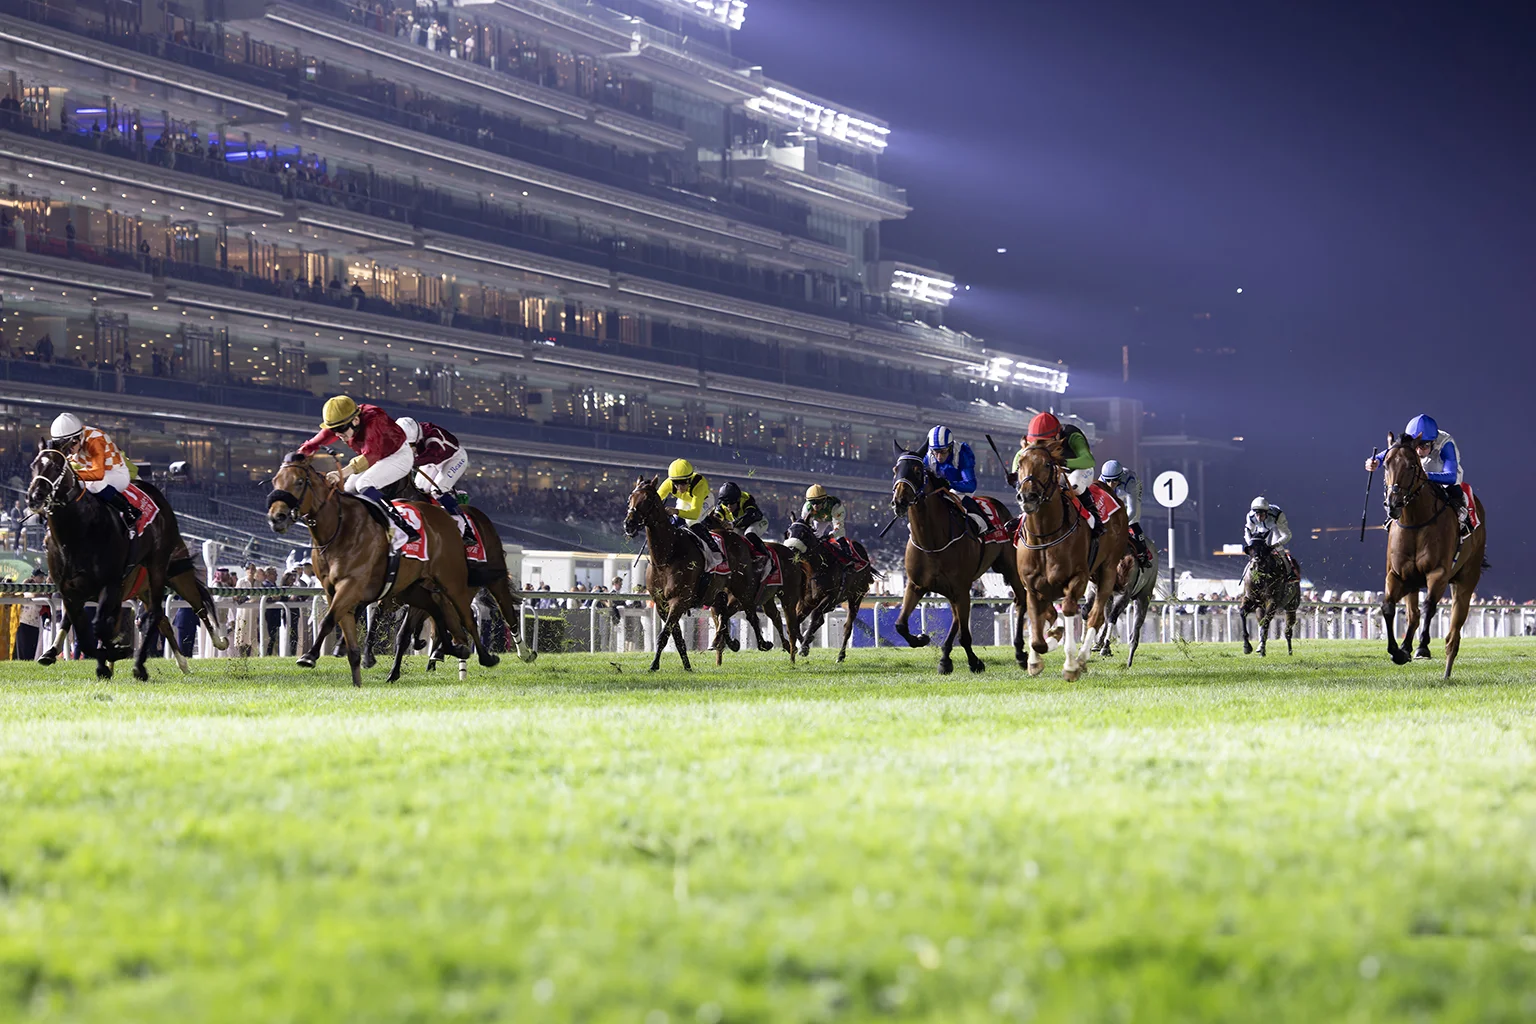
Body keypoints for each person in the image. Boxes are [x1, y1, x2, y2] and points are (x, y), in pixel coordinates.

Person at [298, 395, 419, 542]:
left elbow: (371, 455)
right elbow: (315, 442)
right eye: (334, 430)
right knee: (348, 489)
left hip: (397, 455)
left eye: (341, 430)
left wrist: (340, 473)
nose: (338, 435)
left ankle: (401, 528)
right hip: (377, 458)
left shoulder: (374, 419)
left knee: (364, 484)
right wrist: (299, 455)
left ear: (355, 420)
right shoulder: (345, 420)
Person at [1366, 414, 1472, 538]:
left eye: (1424, 446)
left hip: (1441, 475)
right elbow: (1390, 454)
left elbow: (1451, 477)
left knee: (1454, 489)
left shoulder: (1446, 444)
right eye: (1415, 446)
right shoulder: (1410, 443)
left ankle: (1462, 518)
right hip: (1417, 473)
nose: (1419, 451)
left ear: (1433, 442)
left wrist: (1425, 476)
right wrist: (1375, 462)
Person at [47, 413, 140, 530]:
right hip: (92, 473)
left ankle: (129, 510)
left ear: (80, 436)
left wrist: (71, 475)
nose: (70, 450)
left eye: (73, 444)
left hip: (115, 474)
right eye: (65, 446)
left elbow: (98, 474)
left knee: (94, 484)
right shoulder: (73, 440)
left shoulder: (95, 439)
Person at [396, 416, 474, 543]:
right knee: (419, 489)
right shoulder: (410, 433)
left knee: (437, 490)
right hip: (432, 461)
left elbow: (433, 457)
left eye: (410, 446)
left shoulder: (434, 438)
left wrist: (408, 462)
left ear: (416, 439)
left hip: (453, 459)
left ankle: (466, 527)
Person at [1013, 412, 1098, 526]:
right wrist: (1015, 477)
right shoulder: (1032, 443)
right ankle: (1023, 518)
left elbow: (1089, 461)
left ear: (1057, 435)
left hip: (1078, 469)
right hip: (1054, 470)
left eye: (1045, 441)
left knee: (1075, 486)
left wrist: (1062, 462)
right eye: (1037, 441)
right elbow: (1020, 458)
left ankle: (1094, 518)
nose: (1040, 445)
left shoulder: (1073, 435)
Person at [923, 425, 989, 536]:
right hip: (936, 491)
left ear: (951, 447)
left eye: (943, 451)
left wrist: (950, 484)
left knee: (955, 501)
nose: (939, 457)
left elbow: (971, 485)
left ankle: (982, 526)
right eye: (936, 451)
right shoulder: (927, 457)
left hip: (959, 490)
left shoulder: (962, 453)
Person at [655, 458, 721, 559]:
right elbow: (656, 500)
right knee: (675, 520)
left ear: (689, 479)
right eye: (676, 483)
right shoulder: (668, 483)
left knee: (691, 521)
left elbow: (694, 513)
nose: (680, 487)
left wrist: (676, 511)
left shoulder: (699, 485)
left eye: (683, 483)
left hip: (704, 500)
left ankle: (715, 549)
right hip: (685, 500)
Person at [1101, 460, 1151, 567]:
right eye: (1108, 480)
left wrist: (1121, 525)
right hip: (1119, 491)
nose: (1111, 484)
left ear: (1120, 477)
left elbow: (1132, 510)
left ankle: (1143, 554)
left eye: (1114, 480)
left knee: (1133, 520)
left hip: (1130, 489)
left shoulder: (1130, 482)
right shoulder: (1101, 481)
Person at [801, 484, 862, 564]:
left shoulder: (835, 505)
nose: (815, 505)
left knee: (839, 536)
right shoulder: (807, 507)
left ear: (824, 499)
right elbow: (805, 525)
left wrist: (830, 536)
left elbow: (838, 527)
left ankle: (848, 558)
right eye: (812, 502)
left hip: (834, 518)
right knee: (815, 535)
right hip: (819, 520)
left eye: (818, 502)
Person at [1244, 496, 1299, 582]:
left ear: (1266, 512)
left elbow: (1287, 535)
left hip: (1276, 529)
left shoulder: (1278, 516)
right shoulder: (1250, 516)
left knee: (1278, 549)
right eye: (1257, 514)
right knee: (1255, 550)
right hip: (1261, 530)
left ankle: (1290, 573)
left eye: (1261, 514)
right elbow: (1247, 532)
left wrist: (1275, 545)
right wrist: (1251, 545)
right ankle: (1246, 575)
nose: (1259, 518)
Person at [716, 481, 770, 558]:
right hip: (739, 525)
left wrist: (732, 524)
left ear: (737, 500)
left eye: (731, 503)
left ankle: (767, 556)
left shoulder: (747, 499)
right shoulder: (721, 504)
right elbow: (716, 518)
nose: (729, 506)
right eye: (726, 503)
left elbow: (750, 516)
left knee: (749, 533)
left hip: (756, 522)